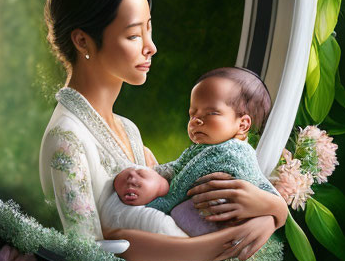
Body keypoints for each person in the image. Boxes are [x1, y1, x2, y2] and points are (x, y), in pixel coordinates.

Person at [38, 0, 288, 261]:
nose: (151, 47)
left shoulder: (128, 130)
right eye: (134, 35)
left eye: (149, 31)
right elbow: (92, 252)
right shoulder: (67, 138)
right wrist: (214, 245)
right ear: (83, 41)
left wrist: (272, 210)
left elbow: (172, 202)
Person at [101, 67, 282, 243]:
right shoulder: (204, 148)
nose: (196, 121)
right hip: (205, 220)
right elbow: (177, 167)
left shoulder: (232, 151)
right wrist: (153, 172)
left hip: (215, 224)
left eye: (211, 113)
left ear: (243, 124)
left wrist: (161, 204)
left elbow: (184, 183)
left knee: (160, 215)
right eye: (192, 114)